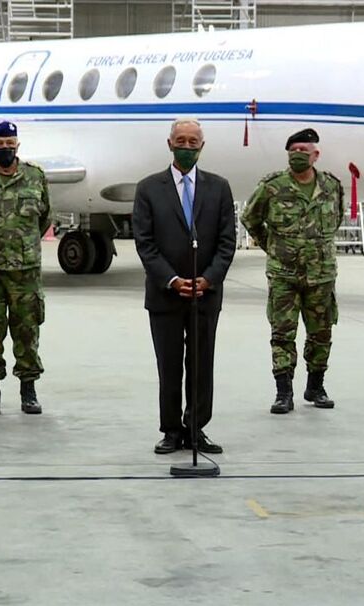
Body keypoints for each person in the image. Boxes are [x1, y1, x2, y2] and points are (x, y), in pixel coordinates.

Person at [132, 118, 235, 454]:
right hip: (166, 293)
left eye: (193, 142)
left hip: (206, 294)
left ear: (202, 146)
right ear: (169, 143)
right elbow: (145, 243)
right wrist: (172, 280)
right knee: (170, 365)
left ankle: (196, 428)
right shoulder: (148, 188)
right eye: (181, 140)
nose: (187, 147)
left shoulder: (219, 187)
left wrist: (209, 278)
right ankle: (171, 430)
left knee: (202, 365)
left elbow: (226, 241)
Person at [240, 128, 344, 414]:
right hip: (284, 274)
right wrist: (272, 247)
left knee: (321, 333)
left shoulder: (332, 186)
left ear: (316, 154)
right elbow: (250, 218)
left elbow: (336, 220)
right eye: (293, 150)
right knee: (282, 333)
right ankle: (283, 392)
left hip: (321, 275)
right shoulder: (273, 185)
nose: (298, 155)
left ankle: (315, 386)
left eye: (303, 150)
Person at [0, 121, 51, 416]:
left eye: (10, 142)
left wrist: (22, 246)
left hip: (26, 271)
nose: (5, 148)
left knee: (27, 333)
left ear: (18, 145)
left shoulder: (35, 177)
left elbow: (44, 219)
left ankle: (28, 391)